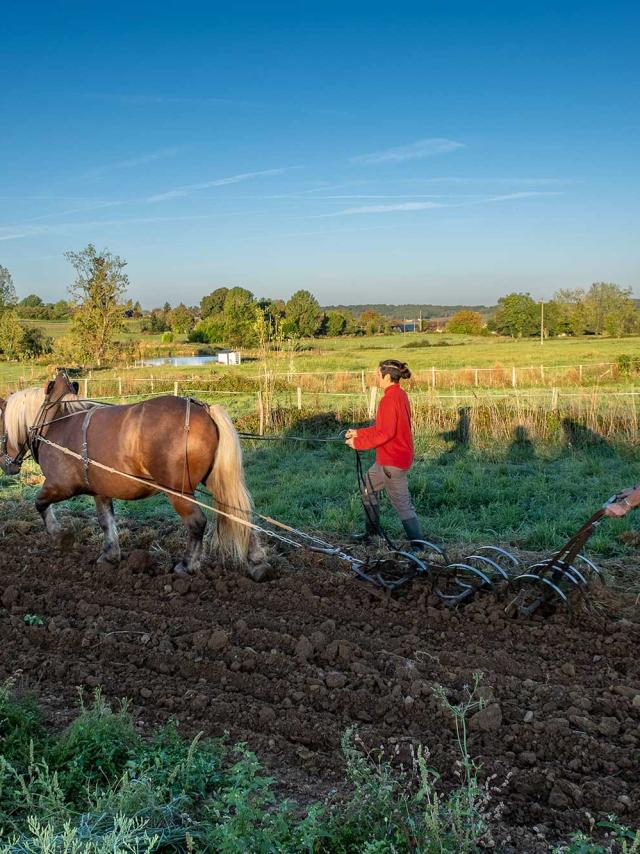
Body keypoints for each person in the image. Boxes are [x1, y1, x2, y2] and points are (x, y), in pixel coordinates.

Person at [345, 359, 424, 544]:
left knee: (402, 504)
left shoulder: (389, 399)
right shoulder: (399, 394)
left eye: (378, 374)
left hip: (392, 462)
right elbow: (383, 428)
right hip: (386, 460)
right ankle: (372, 534)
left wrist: (359, 443)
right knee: (367, 487)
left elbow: (386, 433)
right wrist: (359, 433)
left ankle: (420, 546)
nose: (376, 377)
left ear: (387, 376)